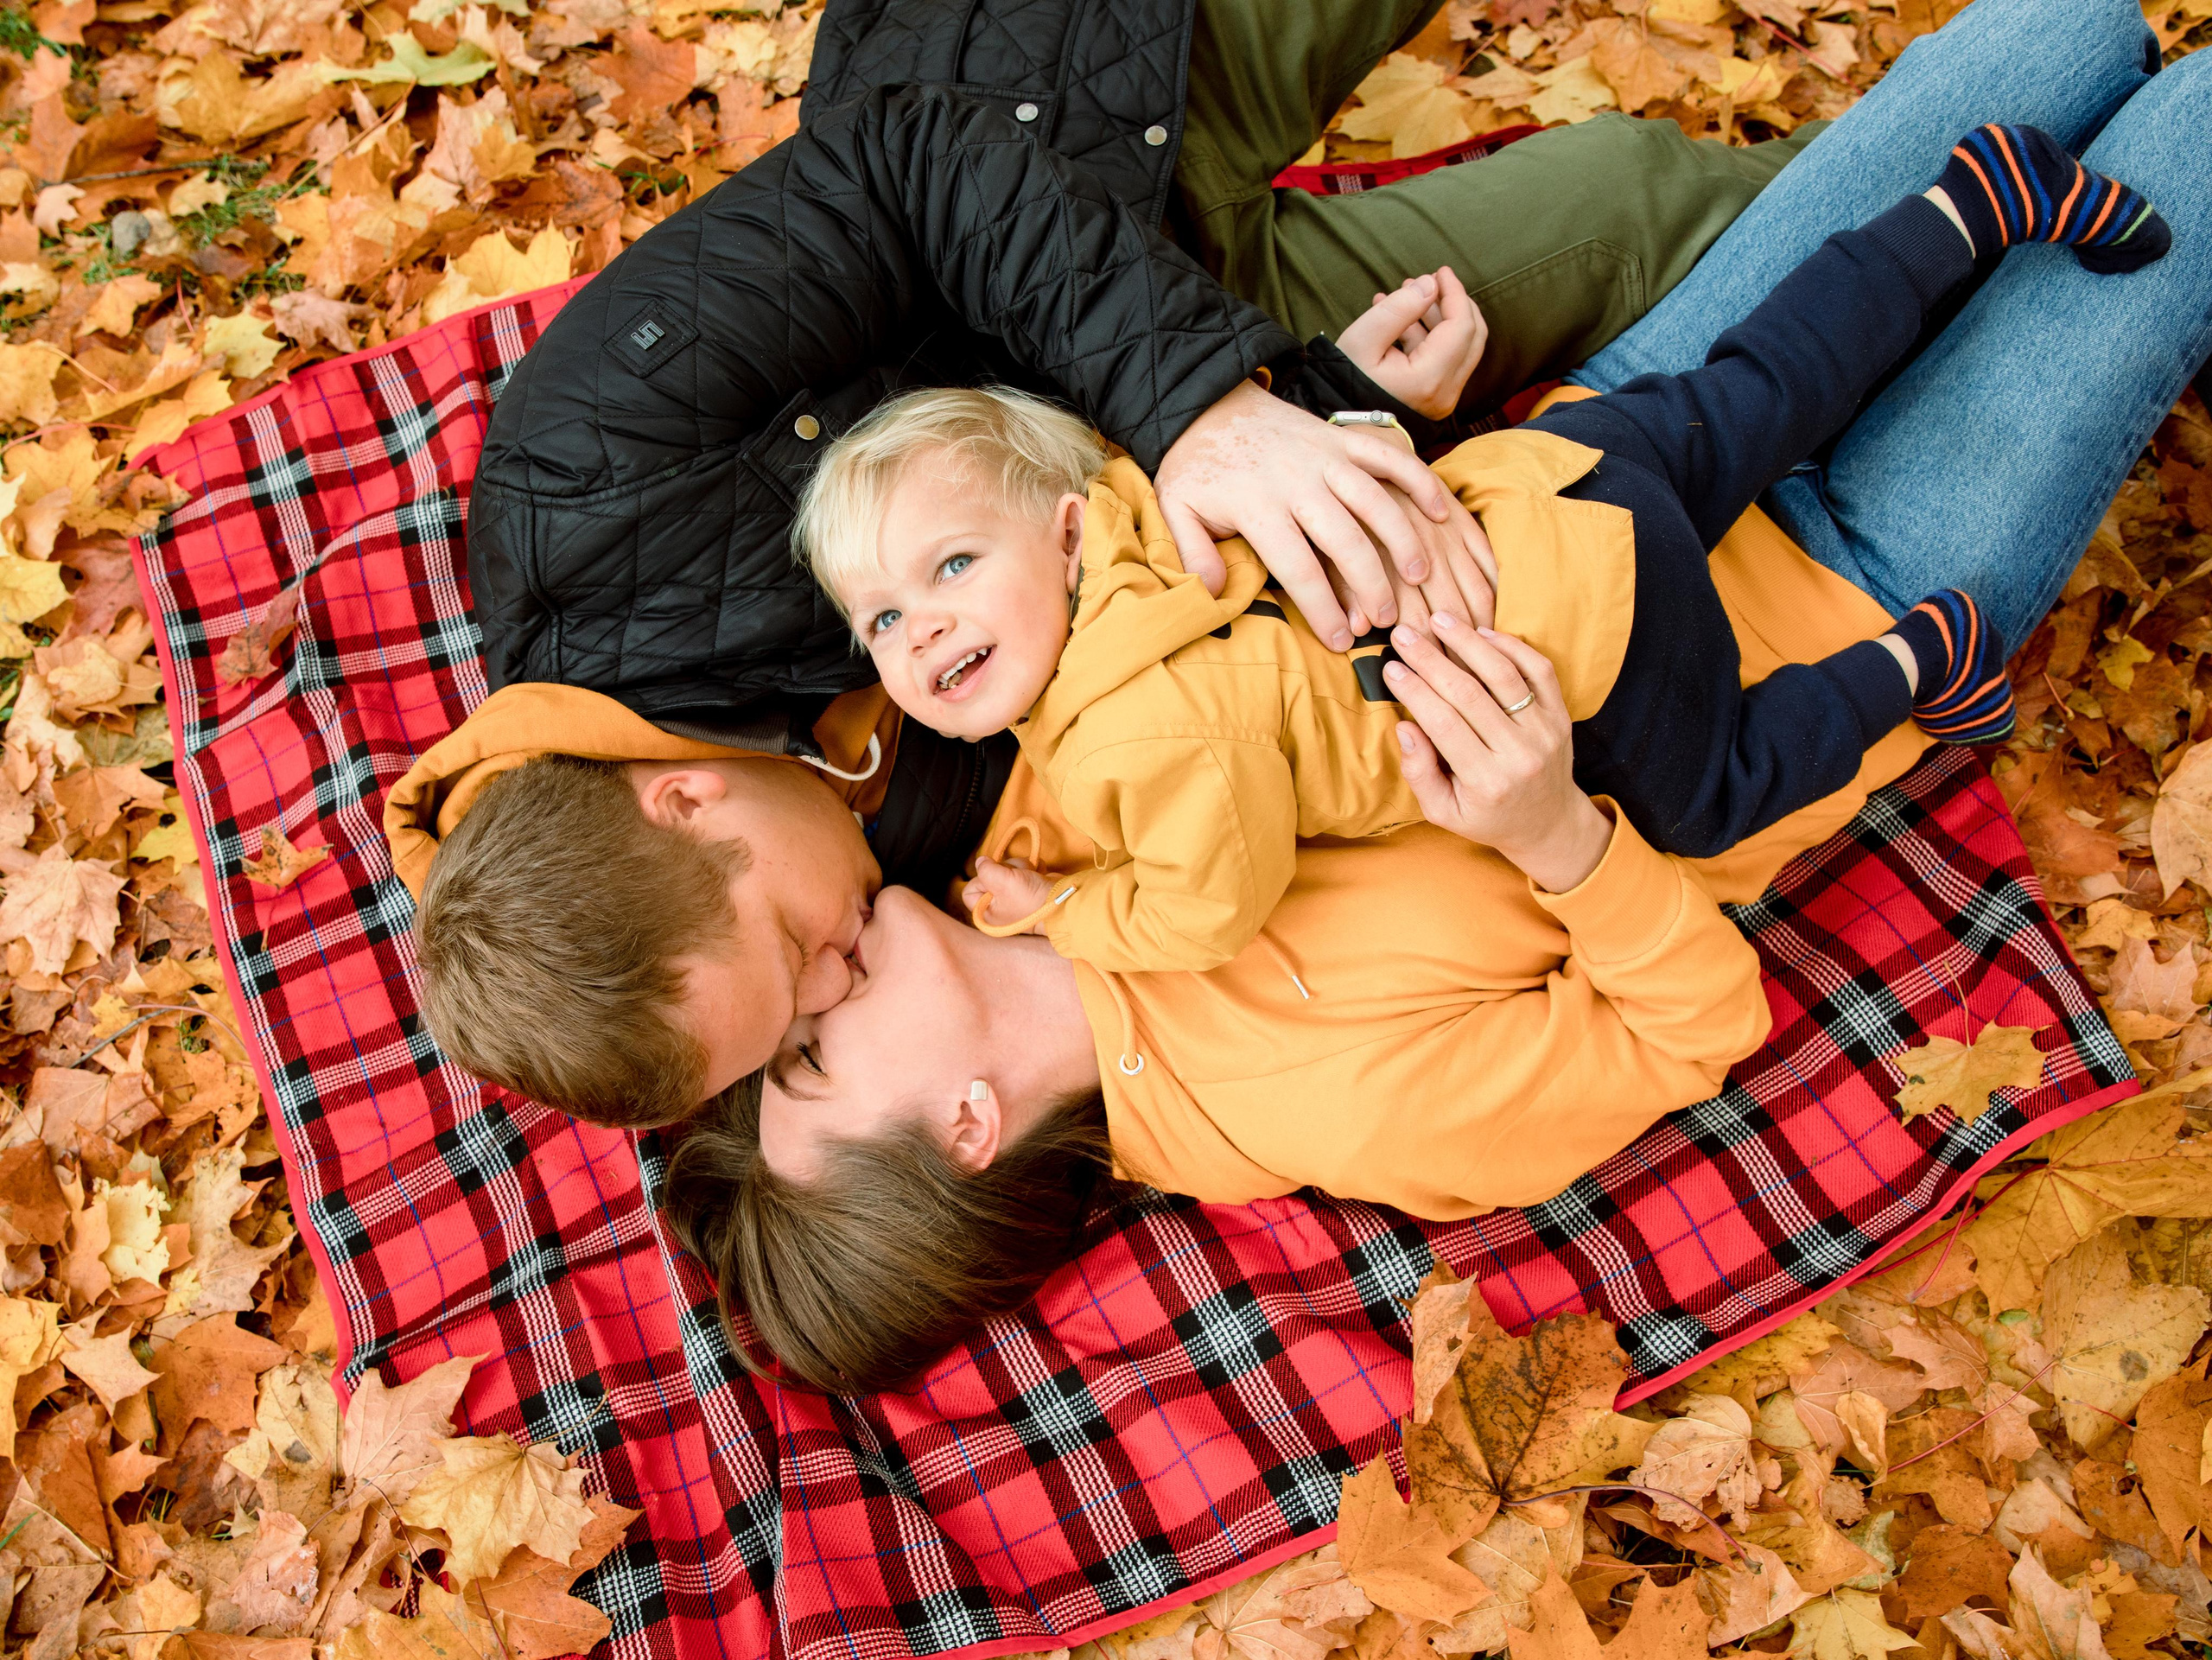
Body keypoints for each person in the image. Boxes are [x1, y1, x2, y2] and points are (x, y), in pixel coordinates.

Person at [662, 0, 2212, 1393]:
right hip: (1853, 584)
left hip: (1616, 451)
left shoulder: (1003, 836)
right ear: (967, 1127)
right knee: (2196, 136)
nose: (811, 994)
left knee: (2060, 37)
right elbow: (1693, 1027)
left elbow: (1155, 560)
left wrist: (1345, 404)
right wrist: (1555, 838)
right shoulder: (1336, 1112)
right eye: (813, 1060)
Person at [406, 0, 1827, 1116]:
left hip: (1053, 112)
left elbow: (907, 170)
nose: (840, 981)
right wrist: (1337, 402)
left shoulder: (576, 480)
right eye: (802, 1031)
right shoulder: (876, 867)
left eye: (793, 957)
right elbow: (1151, 657)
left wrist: (1204, 410)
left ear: (679, 801)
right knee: (1638, 202)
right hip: (1242, 358)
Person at [803, 117, 2172, 973]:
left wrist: (1069, 911)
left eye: (950, 568)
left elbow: (1210, 907)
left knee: (1712, 797)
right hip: (1543, 474)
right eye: (882, 619)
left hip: (1592, 635)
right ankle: (1963, 207)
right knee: (1764, 384)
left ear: (1060, 535)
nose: (923, 627)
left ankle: (1921, 660)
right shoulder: (1161, 499)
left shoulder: (1129, 739)